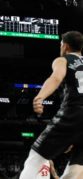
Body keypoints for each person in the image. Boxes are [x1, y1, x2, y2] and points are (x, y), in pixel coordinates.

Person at [19, 31, 83, 179]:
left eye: (61, 43)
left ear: (65, 46)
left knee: (36, 156)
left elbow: (56, 78)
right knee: (78, 167)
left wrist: (40, 96)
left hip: (74, 112)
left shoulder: (63, 60)